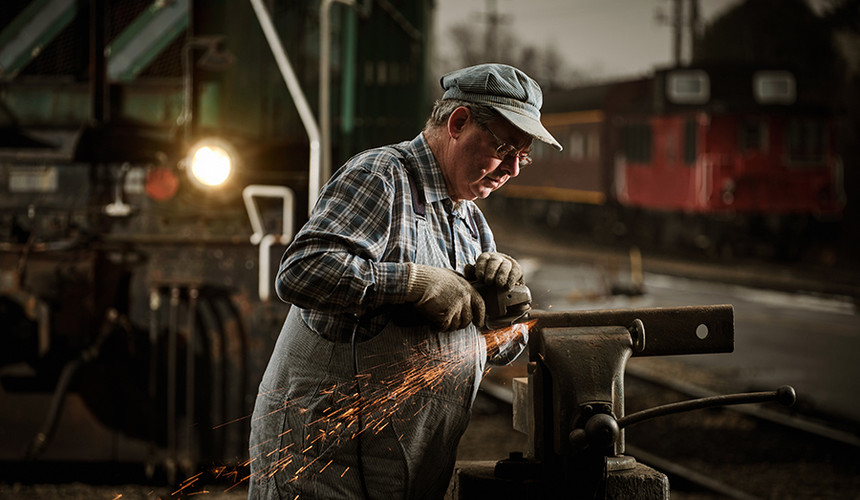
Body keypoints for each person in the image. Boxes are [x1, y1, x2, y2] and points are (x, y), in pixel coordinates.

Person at [248, 63, 562, 499]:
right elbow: (301, 271)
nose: (512, 168)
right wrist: (414, 283)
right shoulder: (382, 176)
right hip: (324, 466)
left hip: (402, 473)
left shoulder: (468, 220)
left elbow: (498, 347)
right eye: (506, 148)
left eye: (522, 156)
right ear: (458, 122)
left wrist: (504, 303)